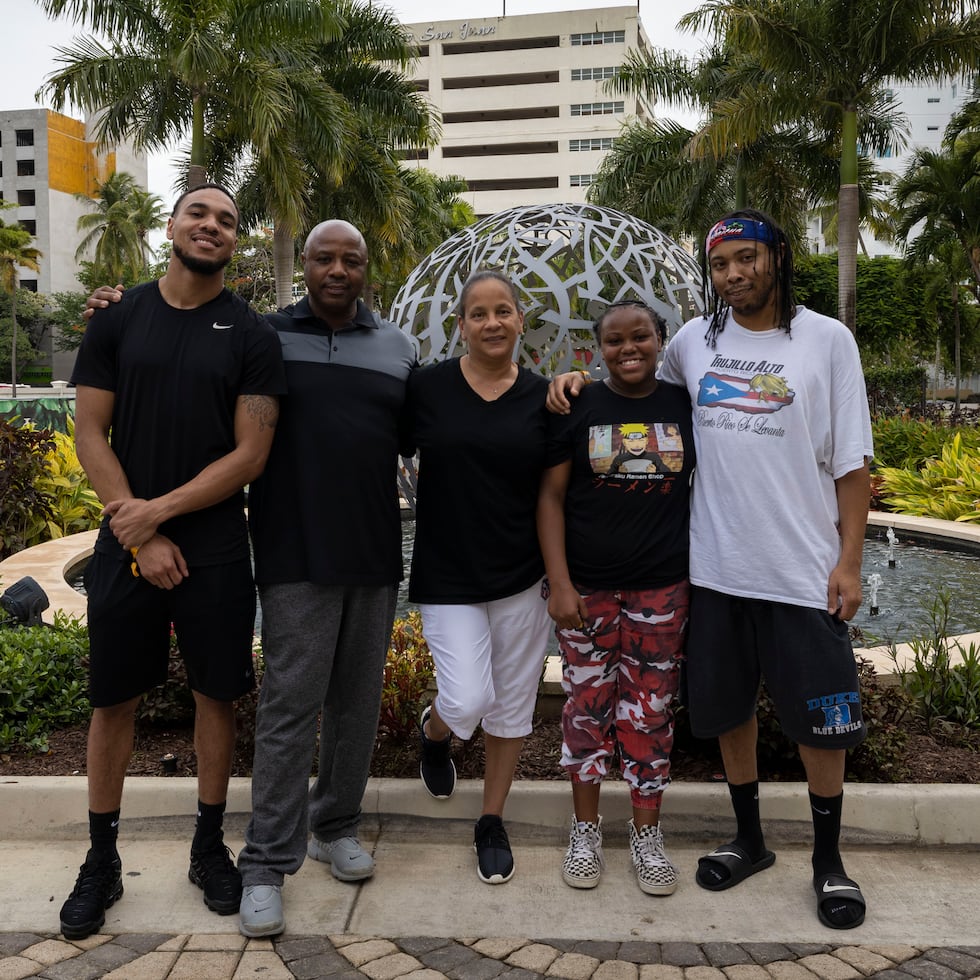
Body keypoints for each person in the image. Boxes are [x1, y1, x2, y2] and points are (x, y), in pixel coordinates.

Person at [548, 209, 873, 930]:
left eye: (747, 259)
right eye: (722, 264)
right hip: (715, 572)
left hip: (802, 569)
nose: (734, 275)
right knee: (727, 714)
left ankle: (829, 860)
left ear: (777, 258)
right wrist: (571, 378)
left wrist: (850, 561)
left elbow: (853, 462)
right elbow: (630, 384)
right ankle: (749, 839)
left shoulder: (828, 340)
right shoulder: (695, 341)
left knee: (823, 721)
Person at [61, 184, 285, 940]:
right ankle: (101, 861)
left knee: (216, 698)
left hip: (215, 547)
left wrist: (158, 514)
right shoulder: (118, 320)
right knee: (112, 701)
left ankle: (206, 846)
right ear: (172, 224)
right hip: (126, 542)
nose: (212, 226)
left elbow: (250, 453)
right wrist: (137, 531)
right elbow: (91, 430)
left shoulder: (250, 335)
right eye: (200, 213)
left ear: (233, 239)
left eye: (227, 219)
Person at [235, 220, 418, 936]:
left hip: (372, 551)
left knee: (355, 704)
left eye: (353, 258)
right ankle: (264, 862)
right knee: (288, 710)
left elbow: (416, 434)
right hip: (293, 551)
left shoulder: (398, 347)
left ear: (367, 268)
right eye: (325, 257)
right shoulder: (266, 337)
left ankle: (334, 824)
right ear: (305, 264)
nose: (339, 269)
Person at [537, 301, 694, 896]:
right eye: (614, 341)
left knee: (651, 710)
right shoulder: (578, 405)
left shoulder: (683, 405)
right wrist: (560, 581)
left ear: (660, 340)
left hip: (663, 586)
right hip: (587, 589)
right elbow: (549, 498)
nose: (629, 349)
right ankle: (585, 830)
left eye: (641, 337)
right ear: (596, 348)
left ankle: (647, 835)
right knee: (586, 708)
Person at [407, 269, 552, 885]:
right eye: (478, 314)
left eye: (503, 311)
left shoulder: (547, 396)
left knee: (512, 707)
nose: (492, 323)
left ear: (521, 319)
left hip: (523, 577)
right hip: (448, 574)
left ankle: (490, 820)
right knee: (468, 698)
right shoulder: (428, 389)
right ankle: (435, 731)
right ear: (460, 325)